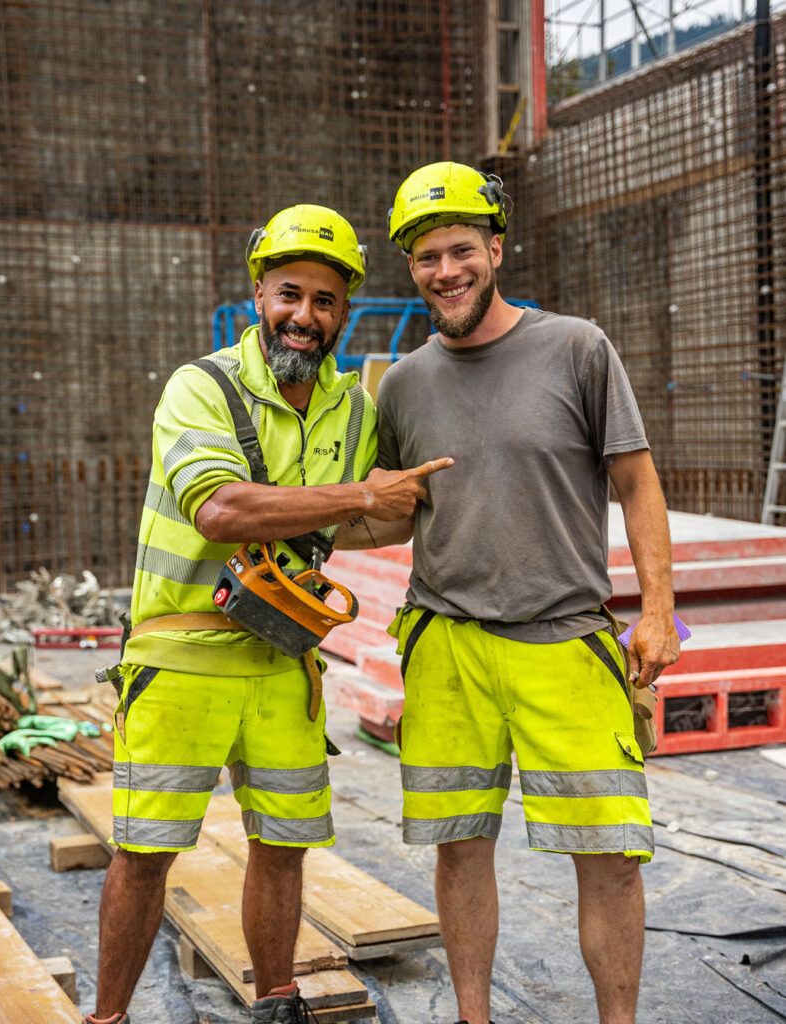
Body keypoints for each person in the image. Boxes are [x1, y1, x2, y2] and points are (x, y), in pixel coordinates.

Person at [81, 203, 452, 1024]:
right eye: (291, 293)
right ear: (258, 293)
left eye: (325, 302)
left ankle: (277, 1001)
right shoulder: (200, 387)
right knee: (145, 852)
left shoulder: (352, 411)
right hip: (180, 659)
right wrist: (364, 494)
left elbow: (361, 521)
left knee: (284, 848)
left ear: (343, 312)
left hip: (285, 662)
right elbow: (222, 512)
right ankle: (106, 1017)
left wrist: (446, 494)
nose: (305, 316)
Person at [370, 161, 680, 1024]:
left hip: (564, 642)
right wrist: (303, 515)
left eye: (461, 249)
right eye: (427, 256)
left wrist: (657, 611)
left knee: (613, 855)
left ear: (495, 249)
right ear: (412, 266)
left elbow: (635, 480)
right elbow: (391, 515)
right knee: (459, 847)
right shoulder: (400, 384)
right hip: (445, 646)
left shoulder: (576, 347)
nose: (446, 271)